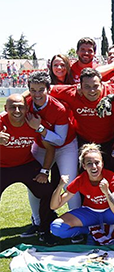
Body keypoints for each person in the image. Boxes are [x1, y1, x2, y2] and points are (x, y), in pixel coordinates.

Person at [23, 71, 79, 239]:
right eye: (33, 90)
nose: (37, 94)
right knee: (33, 185)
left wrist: (39, 128)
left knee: (70, 184)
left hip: (66, 146)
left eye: (41, 89)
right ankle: (38, 222)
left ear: (48, 89)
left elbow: (59, 141)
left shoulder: (58, 108)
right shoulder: (26, 104)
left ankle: (76, 223)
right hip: (40, 146)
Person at [49, 144, 114, 244]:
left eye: (97, 163)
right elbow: (54, 206)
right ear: (84, 166)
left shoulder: (112, 178)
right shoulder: (80, 180)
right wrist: (60, 186)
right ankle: (90, 231)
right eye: (89, 163)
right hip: (90, 213)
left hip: (110, 213)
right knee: (56, 228)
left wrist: (107, 192)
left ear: (102, 163)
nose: (94, 167)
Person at [0, 94, 57, 245]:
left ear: (26, 109)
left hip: (25, 164)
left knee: (46, 190)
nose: (17, 110)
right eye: (12, 107)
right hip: (2, 167)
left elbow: (50, 148)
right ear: (6, 109)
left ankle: (44, 230)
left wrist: (44, 171)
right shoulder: (0, 122)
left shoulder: (33, 123)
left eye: (21, 106)